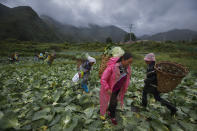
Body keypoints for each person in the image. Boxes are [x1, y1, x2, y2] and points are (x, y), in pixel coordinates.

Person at [100, 53, 133, 125]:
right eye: (129, 62)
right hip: (111, 89)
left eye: (131, 62)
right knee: (114, 102)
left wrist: (125, 87)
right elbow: (103, 79)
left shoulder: (126, 68)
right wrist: (107, 88)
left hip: (119, 89)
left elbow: (125, 79)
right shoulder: (112, 67)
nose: (130, 64)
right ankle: (112, 116)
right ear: (123, 60)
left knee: (114, 101)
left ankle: (109, 111)